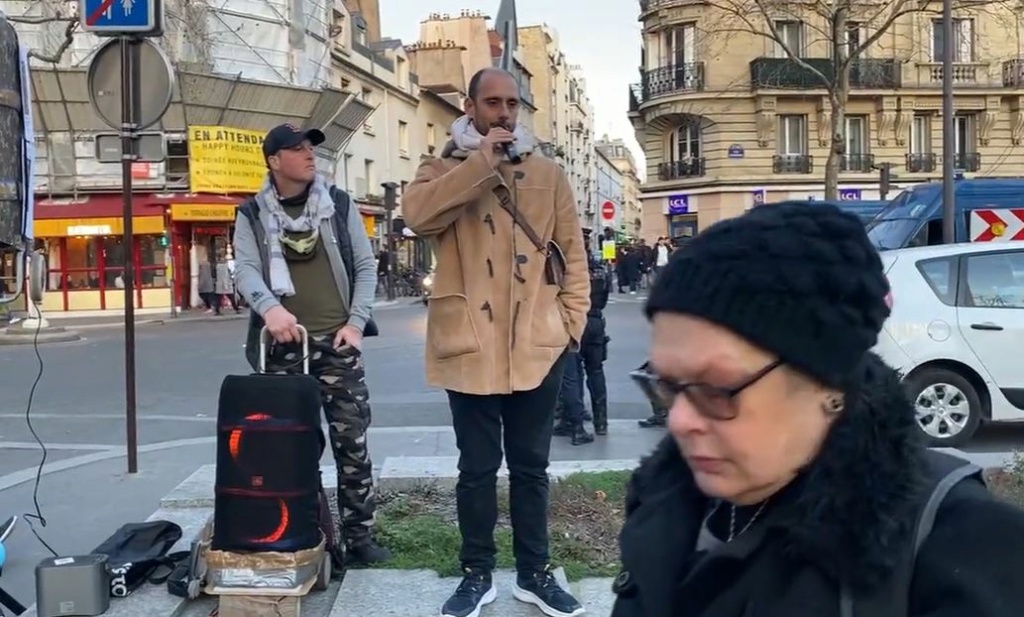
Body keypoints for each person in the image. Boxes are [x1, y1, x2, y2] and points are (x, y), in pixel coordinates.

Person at [611, 203, 1024, 617]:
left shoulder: (958, 545)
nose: (680, 421)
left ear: (826, 384)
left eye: (717, 388)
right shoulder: (663, 502)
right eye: (668, 384)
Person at [403, 67, 590, 617]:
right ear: (470, 106)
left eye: (512, 103)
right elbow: (417, 217)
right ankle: (475, 573)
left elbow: (572, 254)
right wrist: (482, 161)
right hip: (469, 342)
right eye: (492, 102)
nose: (504, 112)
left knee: (532, 468)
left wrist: (569, 322)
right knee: (476, 469)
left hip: (537, 342)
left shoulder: (548, 172)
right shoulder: (439, 168)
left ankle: (534, 573)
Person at [232, 123, 390, 566]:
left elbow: (365, 266)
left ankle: (360, 539)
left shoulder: (337, 205)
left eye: (310, 148)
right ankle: (304, 534)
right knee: (287, 452)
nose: (308, 155)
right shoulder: (251, 214)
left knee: (352, 447)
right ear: (273, 160)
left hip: (339, 344)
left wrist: (356, 325)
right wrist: (270, 308)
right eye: (296, 149)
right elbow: (245, 270)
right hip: (284, 348)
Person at [555, 229, 610, 442]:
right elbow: (604, 296)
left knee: (571, 375)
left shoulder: (565, 266)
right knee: (596, 371)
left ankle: (575, 423)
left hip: (573, 322)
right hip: (596, 321)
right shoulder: (599, 269)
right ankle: (601, 422)